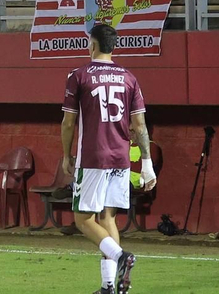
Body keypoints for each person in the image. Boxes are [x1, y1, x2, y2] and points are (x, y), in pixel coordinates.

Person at [60, 23, 152, 294]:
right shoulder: (129, 77)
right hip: (121, 157)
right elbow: (140, 126)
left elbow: (68, 123)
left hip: (93, 157)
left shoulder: (79, 75)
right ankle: (109, 286)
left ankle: (121, 256)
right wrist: (146, 163)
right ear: (114, 47)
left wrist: (66, 155)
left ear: (92, 44)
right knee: (108, 217)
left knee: (83, 220)